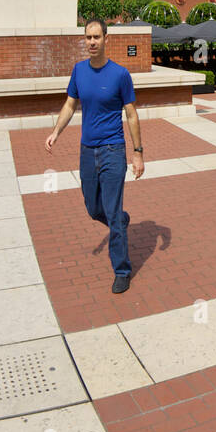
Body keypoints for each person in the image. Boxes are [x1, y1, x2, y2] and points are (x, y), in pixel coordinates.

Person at [45, 18, 145, 293]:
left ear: (105, 39)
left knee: (112, 212)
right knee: (92, 208)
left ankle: (122, 269)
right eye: (88, 37)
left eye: (96, 37)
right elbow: (69, 104)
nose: (91, 42)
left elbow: (132, 114)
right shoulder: (78, 71)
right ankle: (120, 222)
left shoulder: (120, 74)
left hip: (113, 150)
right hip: (87, 151)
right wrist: (56, 131)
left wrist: (137, 154)